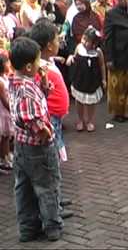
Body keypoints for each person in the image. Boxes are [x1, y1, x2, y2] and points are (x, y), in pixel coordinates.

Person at [9, 37, 63, 242]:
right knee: (47, 186)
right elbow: (33, 120)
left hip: (21, 147)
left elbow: (38, 99)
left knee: (23, 188)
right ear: (29, 65)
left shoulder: (17, 82)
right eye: (39, 60)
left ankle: (28, 227)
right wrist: (47, 135)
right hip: (37, 148)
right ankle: (52, 225)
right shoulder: (26, 90)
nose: (42, 64)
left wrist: (43, 82)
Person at [28, 19, 73, 218]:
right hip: (51, 120)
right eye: (57, 39)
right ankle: (53, 206)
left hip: (56, 119)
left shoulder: (49, 62)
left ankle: (57, 196)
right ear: (48, 45)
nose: (59, 41)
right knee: (51, 163)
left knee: (54, 162)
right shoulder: (40, 68)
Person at [67, 26, 105, 132]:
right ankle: (80, 119)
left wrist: (103, 79)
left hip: (92, 80)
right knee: (79, 101)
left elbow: (102, 65)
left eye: (87, 41)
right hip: (80, 79)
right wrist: (70, 58)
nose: (84, 42)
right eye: (84, 39)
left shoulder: (98, 52)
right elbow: (74, 57)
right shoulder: (79, 47)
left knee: (91, 102)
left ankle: (90, 120)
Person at [0, 54, 13, 172]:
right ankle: (4, 158)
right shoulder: (0, 82)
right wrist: (12, 109)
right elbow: (4, 100)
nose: (9, 64)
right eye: (7, 63)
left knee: (7, 136)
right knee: (4, 136)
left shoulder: (5, 77)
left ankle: (7, 155)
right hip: (3, 113)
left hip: (6, 112)